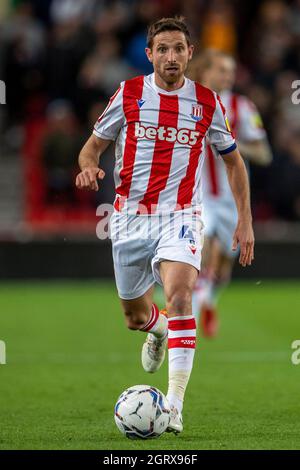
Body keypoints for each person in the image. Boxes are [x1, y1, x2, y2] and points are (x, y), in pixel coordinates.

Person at [75, 17, 254, 434]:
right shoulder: (129, 93)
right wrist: (87, 169)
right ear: (149, 54)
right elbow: (91, 149)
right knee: (135, 317)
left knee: (181, 295)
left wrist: (245, 220)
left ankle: (173, 405)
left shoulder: (208, 103)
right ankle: (156, 332)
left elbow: (234, 162)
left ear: (190, 53)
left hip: (182, 215)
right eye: (163, 49)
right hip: (130, 219)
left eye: (178, 49)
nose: (171, 57)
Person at [189, 50, 272, 337]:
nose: (228, 76)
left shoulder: (242, 107)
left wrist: (231, 144)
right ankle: (189, 323)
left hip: (233, 200)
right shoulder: (189, 101)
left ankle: (208, 301)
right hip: (199, 197)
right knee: (202, 251)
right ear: (204, 71)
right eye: (222, 70)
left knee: (222, 268)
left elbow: (264, 153)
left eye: (231, 70)